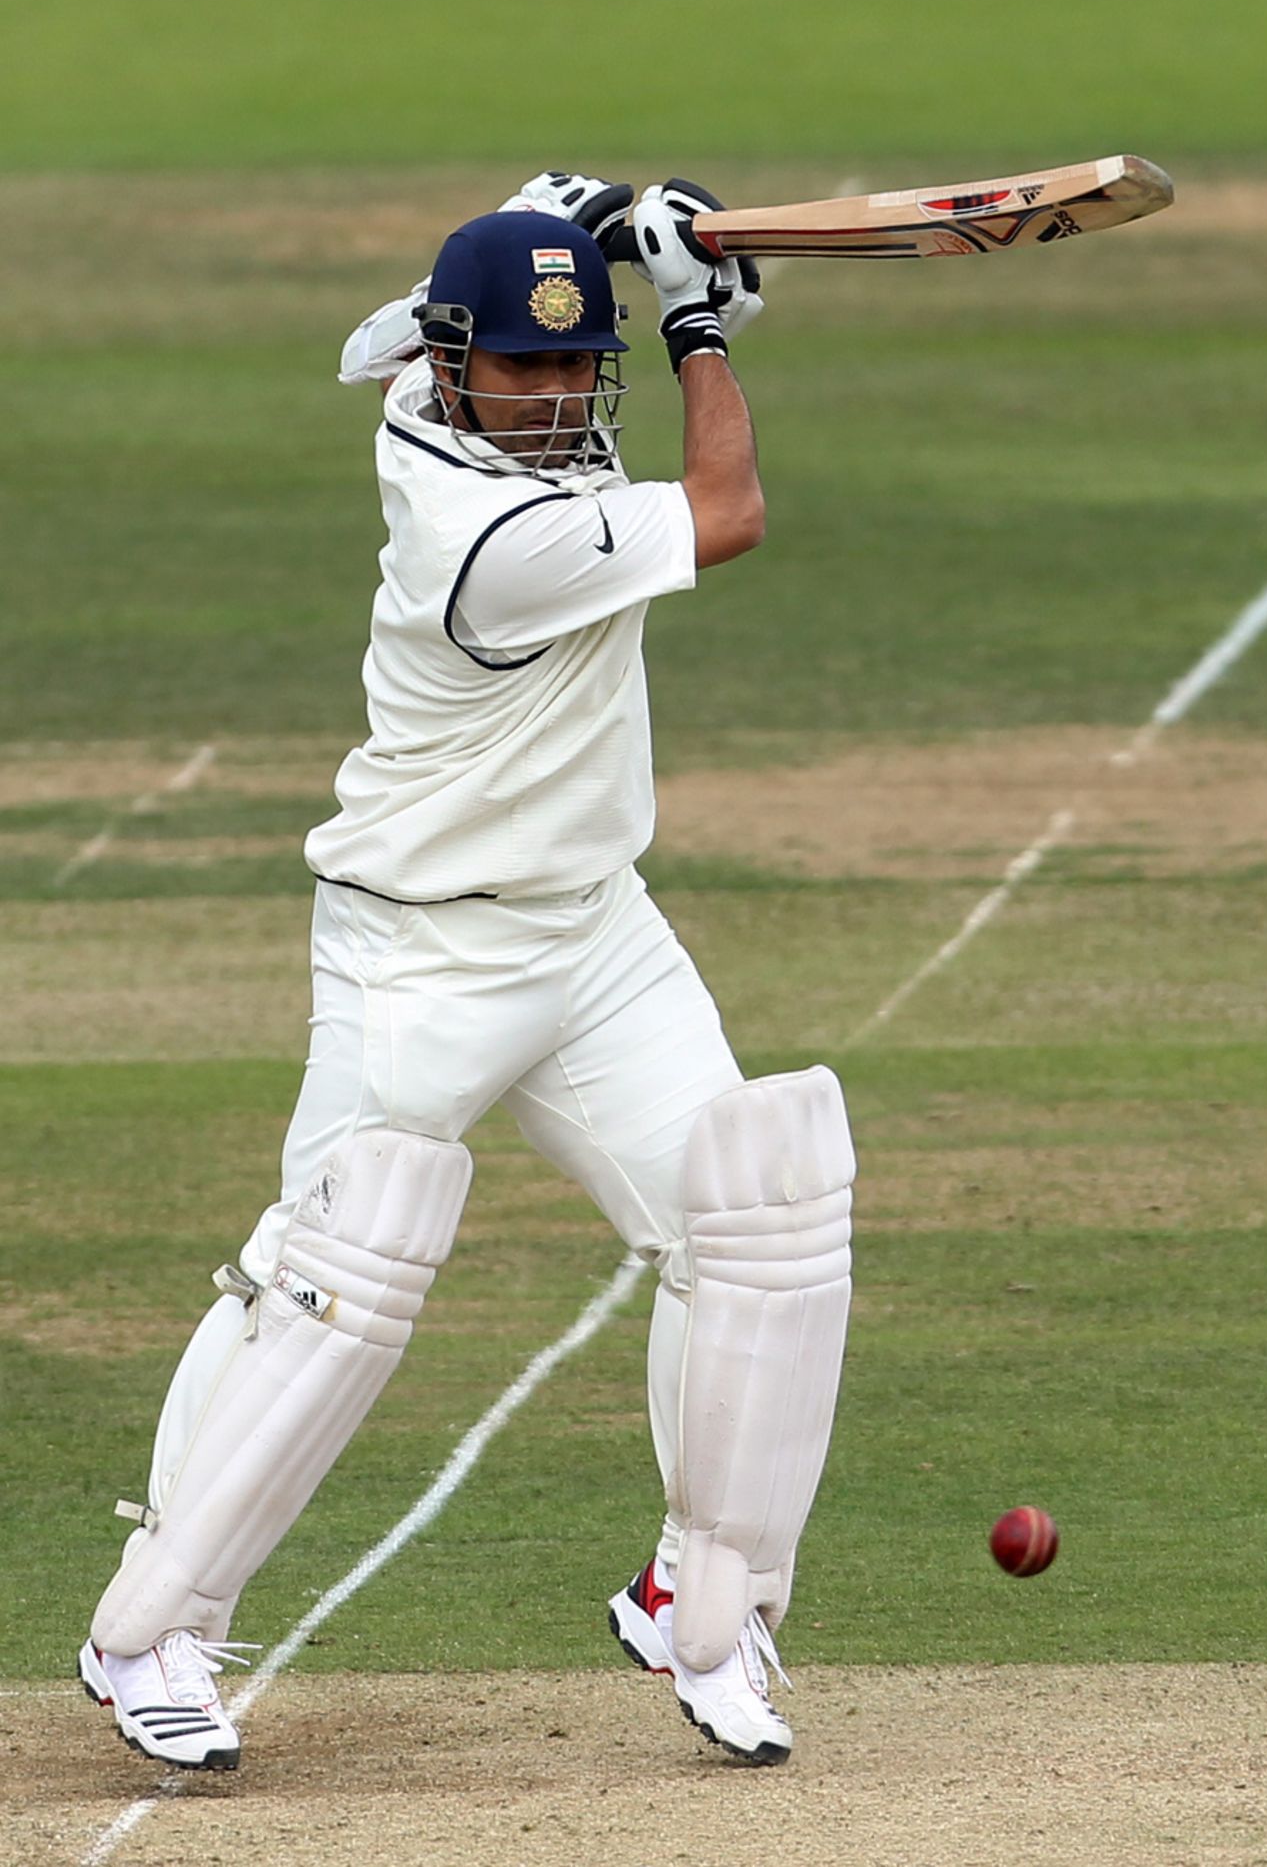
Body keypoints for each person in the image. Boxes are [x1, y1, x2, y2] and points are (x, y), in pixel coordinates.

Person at [78, 172, 855, 1773]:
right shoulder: (482, 533)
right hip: (421, 950)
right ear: (450, 369)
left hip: (595, 929)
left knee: (758, 1212)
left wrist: (584, 215)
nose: (560, 396)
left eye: (583, 364)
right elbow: (730, 512)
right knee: (331, 1278)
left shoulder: (449, 370)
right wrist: (699, 320)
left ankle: (702, 1603)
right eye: (523, 368)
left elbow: (453, 305)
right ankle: (153, 1623)